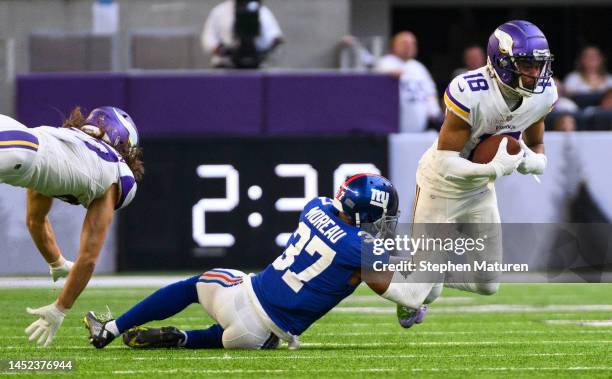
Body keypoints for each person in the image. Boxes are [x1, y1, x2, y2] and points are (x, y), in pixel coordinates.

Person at [84, 174, 429, 349]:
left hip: (240, 298)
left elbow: (342, 230)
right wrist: (412, 305)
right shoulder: (361, 250)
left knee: (192, 287)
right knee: (223, 335)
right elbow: (396, 291)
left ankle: (110, 329)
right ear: (367, 214)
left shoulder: (316, 207)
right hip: (263, 337)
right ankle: (186, 338)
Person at [395, 20, 558, 327]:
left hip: (480, 187)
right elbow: (444, 160)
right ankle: (407, 276)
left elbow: (537, 148)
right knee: (418, 294)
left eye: (539, 65)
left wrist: (526, 161)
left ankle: (433, 274)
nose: (535, 73)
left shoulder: (543, 94)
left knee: (488, 283)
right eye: (525, 64)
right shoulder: (470, 90)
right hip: (441, 185)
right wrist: (495, 167)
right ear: (502, 62)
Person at [9, 106, 144, 347]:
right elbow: (88, 258)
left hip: (15, 135)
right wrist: (60, 309)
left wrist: (57, 263)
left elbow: (36, 220)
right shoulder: (116, 169)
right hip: (17, 151)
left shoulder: (66, 140)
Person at [375, 31, 441, 133]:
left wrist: (434, 112)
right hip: (392, 124)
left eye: (412, 43)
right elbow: (382, 73)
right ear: (393, 45)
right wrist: (392, 73)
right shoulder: (385, 62)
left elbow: (430, 92)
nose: (409, 46)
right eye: (404, 43)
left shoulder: (419, 67)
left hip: (419, 125)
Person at [201, 0, 283, 68]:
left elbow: (274, 36)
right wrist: (222, 50)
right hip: (225, 66)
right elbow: (208, 38)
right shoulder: (219, 11)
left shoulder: (262, 11)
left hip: (256, 66)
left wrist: (264, 50)